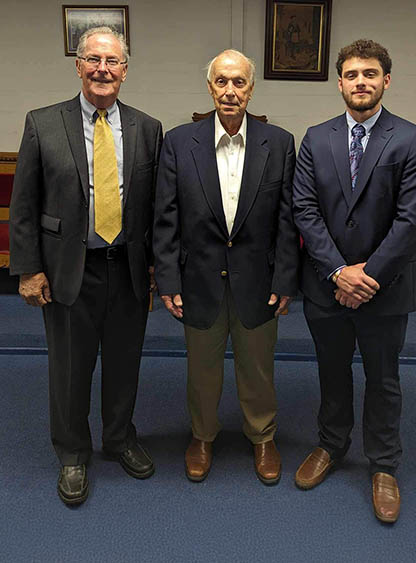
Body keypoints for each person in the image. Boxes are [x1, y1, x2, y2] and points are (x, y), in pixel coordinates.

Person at [9, 27, 162, 505]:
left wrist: (158, 268)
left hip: (127, 269)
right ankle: (73, 453)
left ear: (125, 70)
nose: (102, 69)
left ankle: (119, 439)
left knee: (123, 363)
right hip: (66, 270)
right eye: (92, 59)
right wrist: (29, 270)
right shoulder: (43, 122)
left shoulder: (147, 128)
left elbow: (156, 207)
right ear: (78, 66)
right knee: (70, 368)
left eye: (112, 61)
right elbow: (24, 204)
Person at [292, 39, 416, 522]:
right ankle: (331, 446)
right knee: (331, 373)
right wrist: (338, 272)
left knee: (384, 379)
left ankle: (383, 466)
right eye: (352, 74)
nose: (361, 82)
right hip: (326, 285)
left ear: (386, 81)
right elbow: (304, 210)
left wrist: (366, 277)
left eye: (370, 74)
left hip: (385, 287)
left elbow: (412, 220)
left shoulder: (412, 138)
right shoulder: (316, 137)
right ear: (340, 82)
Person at [153, 49, 300, 485]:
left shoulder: (280, 143)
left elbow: (288, 221)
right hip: (198, 278)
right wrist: (167, 278)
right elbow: (166, 218)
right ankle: (201, 436)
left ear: (251, 89)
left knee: (258, 366)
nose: (230, 91)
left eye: (239, 82)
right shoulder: (180, 141)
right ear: (210, 87)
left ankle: (262, 437)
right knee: (202, 367)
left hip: (259, 280)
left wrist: (285, 279)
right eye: (222, 81)